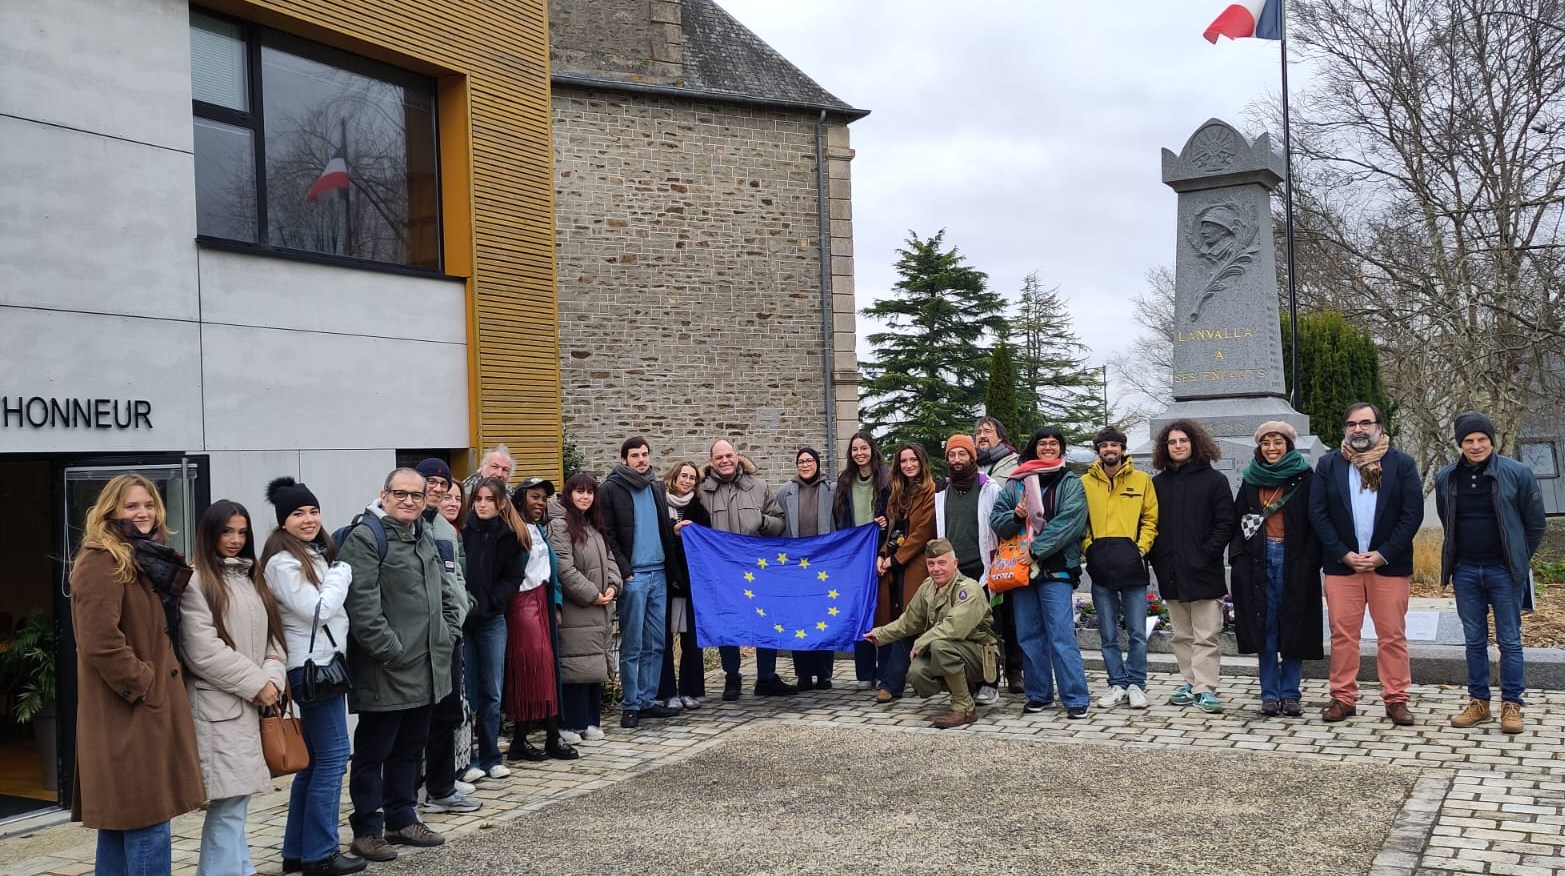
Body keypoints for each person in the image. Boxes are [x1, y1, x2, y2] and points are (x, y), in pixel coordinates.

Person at [70, 474, 204, 876]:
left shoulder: (145, 557)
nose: (143, 513)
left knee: (121, 823)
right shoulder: (101, 559)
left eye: (148, 505)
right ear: (111, 510)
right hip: (126, 714)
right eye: (132, 506)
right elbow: (98, 641)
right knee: (147, 820)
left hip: (143, 712)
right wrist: (143, 682)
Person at [342, 468, 464, 861]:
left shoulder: (423, 534)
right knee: (373, 753)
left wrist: (448, 633)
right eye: (401, 494)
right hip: (386, 669)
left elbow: (444, 590)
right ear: (384, 494)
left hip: (427, 666)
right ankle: (366, 828)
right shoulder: (366, 539)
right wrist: (392, 651)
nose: (409, 501)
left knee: (410, 750)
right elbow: (362, 608)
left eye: (416, 494)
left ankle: (401, 816)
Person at [262, 478, 363, 876]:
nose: (308, 519)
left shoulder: (312, 553)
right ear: (282, 522)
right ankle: (320, 855)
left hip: (323, 665)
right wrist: (341, 572)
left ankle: (298, 852)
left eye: (313, 511)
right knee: (334, 759)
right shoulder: (283, 562)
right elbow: (317, 610)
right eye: (298, 514)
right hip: (311, 670)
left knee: (315, 761)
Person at [182, 500, 288, 876]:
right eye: (227, 531)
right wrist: (258, 684)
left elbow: (275, 638)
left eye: (242, 532)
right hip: (219, 709)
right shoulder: (195, 580)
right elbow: (202, 651)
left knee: (238, 798)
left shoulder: (249, 576)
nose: (235, 539)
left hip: (252, 703)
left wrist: (272, 679)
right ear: (209, 532)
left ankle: (241, 867)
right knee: (227, 802)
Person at [1310, 402, 1424, 726]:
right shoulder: (1328, 465)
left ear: (1379, 426)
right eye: (1351, 424)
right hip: (1342, 566)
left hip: (1388, 566)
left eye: (1365, 423)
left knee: (1392, 636)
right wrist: (1342, 553)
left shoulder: (1401, 464)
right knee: (1343, 636)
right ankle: (1343, 698)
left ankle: (1396, 700)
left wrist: (1383, 553)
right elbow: (1318, 514)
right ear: (1344, 429)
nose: (1358, 429)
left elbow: (1411, 514)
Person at [1436, 411, 1545, 734]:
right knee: (1473, 640)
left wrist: (1519, 558)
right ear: (1460, 445)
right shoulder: (1447, 477)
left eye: (1482, 439)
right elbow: (1447, 519)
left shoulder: (1518, 473)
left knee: (1510, 641)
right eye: (1468, 440)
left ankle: (1512, 705)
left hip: (1504, 571)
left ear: (1491, 441)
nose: (1476, 445)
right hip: (1466, 570)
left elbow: (1535, 523)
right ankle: (1478, 702)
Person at [990, 427, 1091, 718]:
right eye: (1042, 443)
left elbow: (1070, 522)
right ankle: (1039, 694)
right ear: (1034, 448)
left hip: (1056, 569)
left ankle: (1074, 697)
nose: (1048, 447)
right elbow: (996, 520)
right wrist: (1016, 515)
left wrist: (1035, 551)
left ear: (1061, 449)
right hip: (1021, 574)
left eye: (1054, 443)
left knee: (1061, 635)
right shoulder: (1016, 483)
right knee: (1029, 636)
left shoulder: (1070, 482)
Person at [1230, 422, 1321, 718]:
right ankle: (1269, 693)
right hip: (1259, 558)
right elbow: (1239, 520)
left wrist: (1310, 559)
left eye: (1277, 442)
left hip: (1294, 558)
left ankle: (1291, 693)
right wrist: (1240, 558)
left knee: (1293, 622)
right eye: (1266, 442)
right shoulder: (1251, 479)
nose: (1271, 448)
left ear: (1288, 445)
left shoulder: (1305, 477)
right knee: (1264, 625)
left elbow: (1316, 520)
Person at [864, 540, 1000, 729]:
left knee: (939, 645)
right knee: (917, 673)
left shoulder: (969, 589)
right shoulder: (928, 587)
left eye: (942, 563)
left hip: (981, 656)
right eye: (931, 563)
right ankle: (963, 688)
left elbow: (954, 628)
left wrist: (921, 642)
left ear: (955, 563)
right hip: (954, 652)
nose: (936, 569)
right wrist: (880, 634)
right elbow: (908, 622)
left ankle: (965, 708)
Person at [1149, 419, 1235, 714]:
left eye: (1183, 441)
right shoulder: (1157, 483)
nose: (1177, 446)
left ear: (1195, 443)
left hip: (1204, 570)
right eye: (1172, 442)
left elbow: (1225, 523)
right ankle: (1189, 681)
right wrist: (1159, 557)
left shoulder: (1215, 481)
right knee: (1181, 634)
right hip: (1170, 569)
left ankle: (1205, 687)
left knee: (1205, 635)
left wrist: (1207, 554)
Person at [701, 439, 794, 699]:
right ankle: (732, 677)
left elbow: (780, 522)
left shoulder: (759, 486)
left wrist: (763, 521)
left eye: (729, 455)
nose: (725, 461)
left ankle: (766, 677)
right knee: (727, 622)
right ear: (711, 461)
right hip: (721, 571)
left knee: (765, 620)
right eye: (719, 457)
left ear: (737, 456)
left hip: (757, 568)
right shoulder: (702, 492)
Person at [413, 459, 481, 815]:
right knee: (416, 721)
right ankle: (409, 794)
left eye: (442, 482)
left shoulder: (444, 526)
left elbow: (455, 578)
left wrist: (461, 608)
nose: (438, 488)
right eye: (432, 481)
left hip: (449, 636)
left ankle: (441, 788)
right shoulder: (408, 525)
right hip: (420, 640)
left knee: (447, 714)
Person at [597, 437, 680, 727]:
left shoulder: (656, 486)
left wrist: (675, 529)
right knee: (632, 644)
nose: (642, 460)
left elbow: (658, 525)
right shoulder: (610, 489)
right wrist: (625, 571)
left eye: (645, 454)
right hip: (634, 576)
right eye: (635, 455)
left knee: (657, 642)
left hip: (659, 574)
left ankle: (646, 700)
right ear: (624, 460)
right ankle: (630, 704)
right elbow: (607, 535)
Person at [1081, 427, 1158, 710]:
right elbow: (1082, 522)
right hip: (1101, 567)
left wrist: (1139, 549)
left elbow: (1151, 518)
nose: (1109, 449)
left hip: (1132, 567)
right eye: (1104, 445)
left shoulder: (1141, 480)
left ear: (1123, 449)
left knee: (1137, 631)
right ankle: (1116, 683)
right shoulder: (1086, 482)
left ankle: (1137, 684)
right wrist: (1089, 548)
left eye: (1115, 445)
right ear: (1098, 450)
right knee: (1108, 633)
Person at [504, 477, 578, 760]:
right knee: (533, 671)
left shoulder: (538, 530)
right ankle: (542, 737)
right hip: (522, 604)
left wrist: (556, 603)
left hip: (542, 603)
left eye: (544, 498)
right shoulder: (513, 530)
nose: (541, 503)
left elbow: (551, 570)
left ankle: (537, 738)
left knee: (545, 671)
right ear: (521, 498)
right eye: (535, 497)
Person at [459, 478, 524, 783]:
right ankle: (467, 757)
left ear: (500, 504)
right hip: (464, 620)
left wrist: (493, 600)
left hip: (492, 619)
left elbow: (513, 578)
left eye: (489, 499)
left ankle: (491, 756)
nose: (482, 504)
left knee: (491, 691)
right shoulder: (462, 532)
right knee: (466, 692)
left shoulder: (509, 536)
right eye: (478, 499)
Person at [548, 473, 621, 740]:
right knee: (575, 665)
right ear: (569, 494)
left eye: (590, 492)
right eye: (579, 491)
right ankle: (569, 724)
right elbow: (564, 569)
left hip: (599, 606)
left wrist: (613, 585)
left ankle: (591, 720)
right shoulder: (559, 526)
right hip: (577, 607)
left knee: (594, 666)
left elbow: (610, 559)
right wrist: (592, 594)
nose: (585, 497)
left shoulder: (593, 525)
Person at [932, 434, 1000, 704]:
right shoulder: (941, 490)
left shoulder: (988, 487)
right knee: (957, 628)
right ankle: (965, 683)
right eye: (952, 455)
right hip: (953, 573)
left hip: (982, 569)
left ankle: (990, 682)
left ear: (972, 457)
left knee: (985, 629)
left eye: (962, 454)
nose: (957, 460)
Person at [874, 443, 937, 704]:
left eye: (913, 460)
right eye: (903, 461)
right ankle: (892, 677)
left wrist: (895, 560)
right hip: (894, 564)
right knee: (892, 618)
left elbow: (922, 532)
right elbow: (892, 531)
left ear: (922, 463)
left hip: (915, 564)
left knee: (910, 620)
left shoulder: (931, 492)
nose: (909, 465)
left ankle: (892, 683)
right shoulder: (896, 494)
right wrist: (881, 554)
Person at [777, 447, 837, 689]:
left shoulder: (832, 490)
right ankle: (803, 674)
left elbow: (842, 522)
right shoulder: (784, 492)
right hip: (796, 569)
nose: (805, 465)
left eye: (809, 460)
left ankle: (824, 674)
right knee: (799, 620)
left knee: (824, 618)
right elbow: (778, 525)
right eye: (801, 461)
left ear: (818, 463)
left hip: (824, 565)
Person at [832, 431, 888, 691]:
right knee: (859, 612)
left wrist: (885, 524)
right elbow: (839, 517)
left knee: (882, 612)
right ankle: (865, 672)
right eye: (854, 449)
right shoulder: (845, 481)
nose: (859, 453)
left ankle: (886, 670)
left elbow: (893, 512)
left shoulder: (886, 479)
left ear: (872, 450)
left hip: (879, 551)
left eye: (863, 448)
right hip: (854, 556)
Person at [974, 416, 1023, 693]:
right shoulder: (970, 467)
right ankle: (990, 672)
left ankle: (1015, 670)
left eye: (988, 431)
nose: (982, 435)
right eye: (978, 432)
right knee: (988, 618)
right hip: (982, 550)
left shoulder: (1013, 464)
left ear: (1000, 436)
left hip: (1008, 550)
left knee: (1012, 615)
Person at [657, 461, 711, 709]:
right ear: (674, 476)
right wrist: (673, 531)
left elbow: (706, 543)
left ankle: (691, 689)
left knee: (691, 638)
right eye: (684, 476)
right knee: (664, 638)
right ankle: (666, 691)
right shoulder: (659, 504)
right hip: (664, 579)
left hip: (691, 581)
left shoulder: (698, 509)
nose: (687, 480)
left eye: (692, 478)